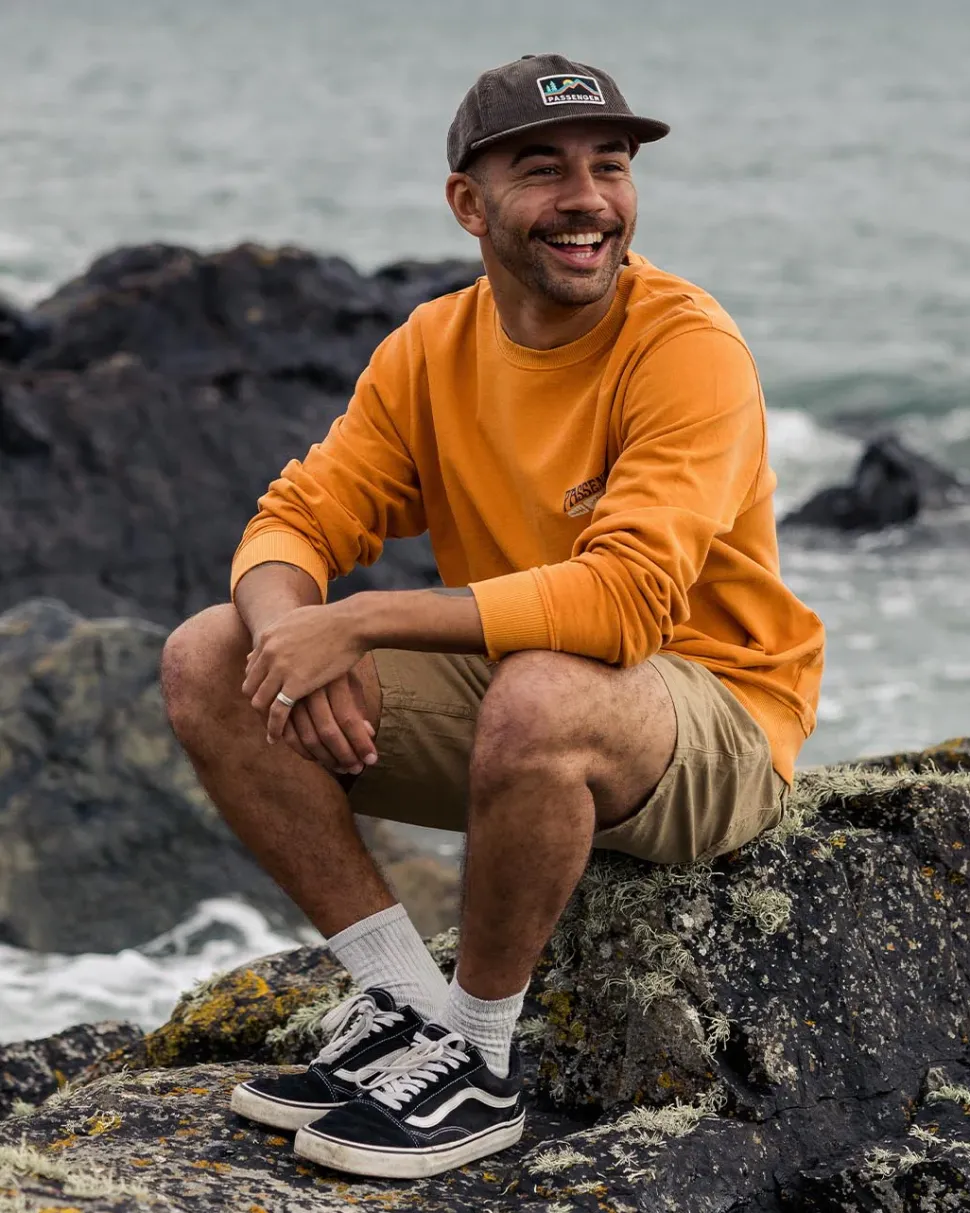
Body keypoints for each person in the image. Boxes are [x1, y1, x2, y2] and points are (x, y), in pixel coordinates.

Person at [161, 52, 825, 1180]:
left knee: (540, 690)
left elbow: (624, 603)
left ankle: (476, 1057)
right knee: (209, 657)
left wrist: (359, 622)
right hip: (538, 692)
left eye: (610, 167)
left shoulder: (686, 348)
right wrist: (289, 637)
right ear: (469, 204)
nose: (588, 200)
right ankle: (405, 1005)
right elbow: (295, 519)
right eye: (544, 170)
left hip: (715, 715)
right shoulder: (433, 346)